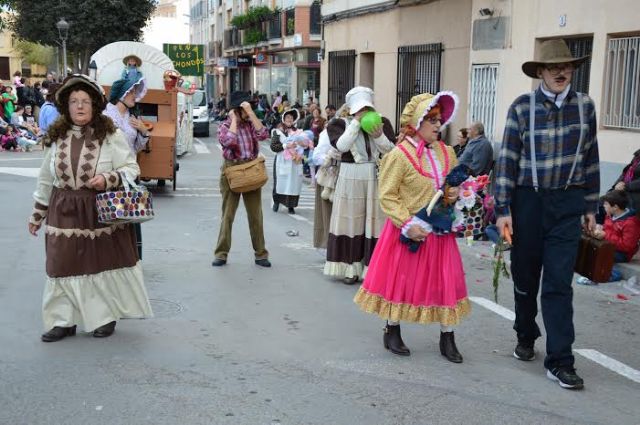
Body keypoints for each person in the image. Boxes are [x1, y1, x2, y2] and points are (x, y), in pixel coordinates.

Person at [495, 39, 600, 390]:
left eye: (566, 66)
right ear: (539, 71)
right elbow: (507, 161)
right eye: (553, 67)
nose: (560, 72)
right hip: (529, 203)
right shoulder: (522, 108)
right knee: (526, 280)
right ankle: (525, 333)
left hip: (568, 204)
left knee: (558, 285)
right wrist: (503, 209)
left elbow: (591, 158)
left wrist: (590, 206)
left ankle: (560, 360)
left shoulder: (585, 106)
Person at [27, 74, 152, 342]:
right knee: (61, 264)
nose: (80, 106)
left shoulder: (110, 135)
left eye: (85, 101)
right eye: (74, 101)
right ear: (66, 107)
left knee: (99, 263)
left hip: (99, 209)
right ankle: (63, 320)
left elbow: (131, 168)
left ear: (95, 105)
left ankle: (104, 316)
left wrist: (108, 178)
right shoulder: (56, 138)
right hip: (63, 208)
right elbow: (45, 179)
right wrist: (37, 214)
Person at [354, 91, 471, 363]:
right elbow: (388, 195)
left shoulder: (448, 152)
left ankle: (448, 336)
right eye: (431, 119)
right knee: (401, 281)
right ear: (417, 122)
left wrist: (454, 193)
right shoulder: (400, 155)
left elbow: (453, 185)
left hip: (439, 232)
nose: (437, 125)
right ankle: (392, 329)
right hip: (408, 230)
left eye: (439, 119)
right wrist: (407, 224)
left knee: (445, 283)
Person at [324, 86, 395, 284]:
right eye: (359, 109)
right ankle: (349, 267)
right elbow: (342, 146)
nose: (364, 112)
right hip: (349, 175)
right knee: (350, 221)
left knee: (374, 222)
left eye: (367, 108)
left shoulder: (382, 122)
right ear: (352, 109)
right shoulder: (338, 123)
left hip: (373, 173)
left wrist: (378, 134)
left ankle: (371, 267)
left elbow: (390, 149)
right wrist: (355, 123)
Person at [212, 91, 271, 268]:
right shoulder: (225, 125)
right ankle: (221, 253)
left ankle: (261, 254)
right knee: (228, 215)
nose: (249, 109)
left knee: (255, 215)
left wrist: (252, 114)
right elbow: (228, 142)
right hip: (231, 170)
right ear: (237, 109)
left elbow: (263, 135)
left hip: (251, 169)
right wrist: (235, 120)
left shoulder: (251, 123)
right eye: (246, 107)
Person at [103, 75, 150, 259]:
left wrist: (143, 131)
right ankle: (111, 258)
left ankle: (132, 258)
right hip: (110, 174)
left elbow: (136, 147)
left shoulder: (132, 118)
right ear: (121, 93)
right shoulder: (106, 116)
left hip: (130, 173)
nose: (134, 95)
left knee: (130, 217)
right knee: (112, 217)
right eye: (131, 92)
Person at [270, 109, 304, 214]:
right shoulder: (277, 131)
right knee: (281, 182)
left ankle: (291, 206)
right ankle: (277, 202)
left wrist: (301, 147)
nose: (289, 119)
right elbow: (274, 147)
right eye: (287, 117)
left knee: (294, 183)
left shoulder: (298, 131)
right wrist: (286, 145)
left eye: (291, 118)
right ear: (283, 119)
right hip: (282, 160)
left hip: (295, 161)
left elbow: (303, 145)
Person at [610, 149, 640, 217]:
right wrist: (616, 185)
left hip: (634, 192)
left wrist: (625, 186)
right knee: (604, 201)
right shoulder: (637, 156)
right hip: (625, 189)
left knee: (621, 205)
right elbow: (625, 172)